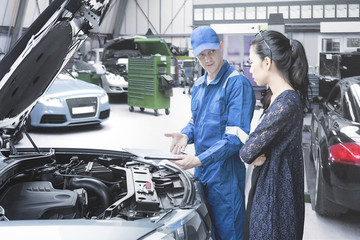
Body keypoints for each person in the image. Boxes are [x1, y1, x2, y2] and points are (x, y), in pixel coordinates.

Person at [165, 26, 256, 240]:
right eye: (201, 55)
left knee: (229, 233)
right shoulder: (198, 85)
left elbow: (235, 138)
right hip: (201, 175)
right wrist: (186, 135)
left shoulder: (236, 84)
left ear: (221, 47)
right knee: (205, 231)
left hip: (226, 179)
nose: (207, 59)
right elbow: (196, 121)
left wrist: (198, 159)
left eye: (211, 52)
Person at [240, 30, 309, 240]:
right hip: (274, 191)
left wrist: (257, 152)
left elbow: (247, 152)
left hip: (276, 200)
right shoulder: (280, 99)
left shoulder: (286, 103)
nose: (249, 68)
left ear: (267, 62)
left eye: (252, 61)